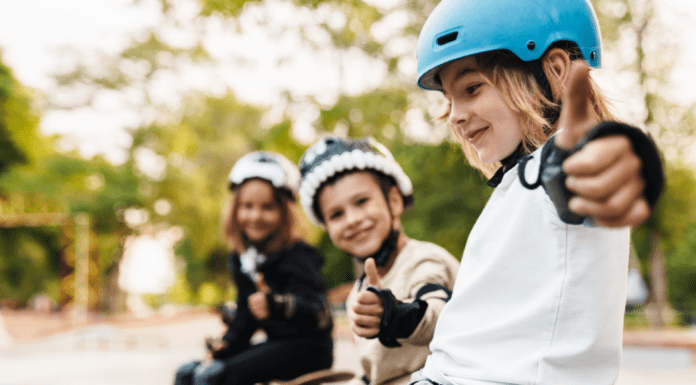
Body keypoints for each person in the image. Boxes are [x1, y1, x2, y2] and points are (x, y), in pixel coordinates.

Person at [408, 0, 665, 384]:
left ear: (556, 70)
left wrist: (618, 161)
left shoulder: (553, 166)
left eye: (472, 88)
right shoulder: (516, 182)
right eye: (449, 99)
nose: (457, 115)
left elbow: (586, 165)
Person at [297, 136, 461, 385]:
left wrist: (395, 314)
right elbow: (377, 373)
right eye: (336, 214)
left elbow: (437, 312)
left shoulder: (424, 261)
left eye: (361, 201)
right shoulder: (359, 293)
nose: (351, 219)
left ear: (394, 201)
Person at [174, 151, 334, 385]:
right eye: (247, 206)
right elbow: (245, 317)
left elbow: (318, 313)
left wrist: (277, 304)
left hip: (308, 349)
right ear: (235, 210)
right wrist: (225, 346)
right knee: (188, 372)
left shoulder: (298, 255)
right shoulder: (241, 259)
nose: (255, 216)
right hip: (275, 345)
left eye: (267, 207)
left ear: (284, 212)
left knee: (215, 377)